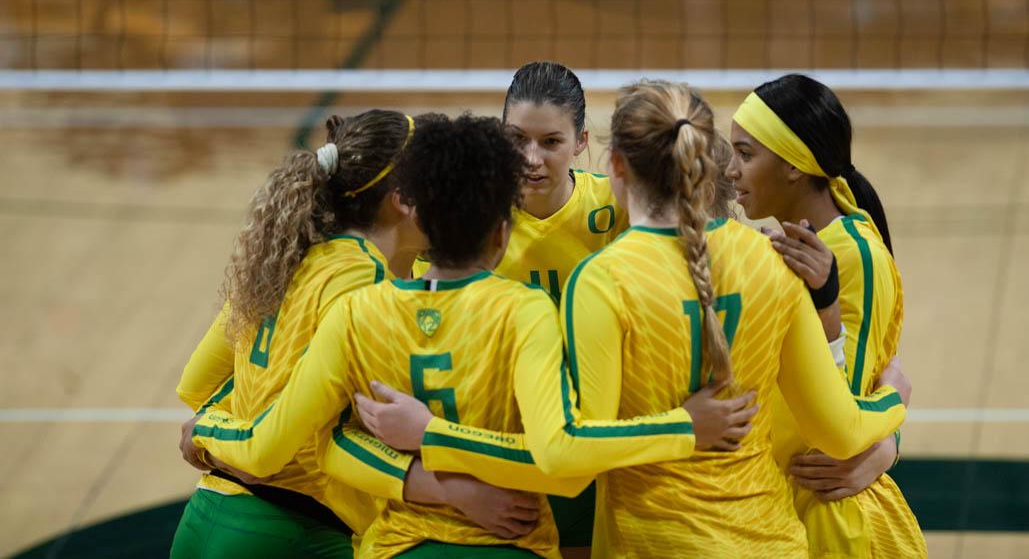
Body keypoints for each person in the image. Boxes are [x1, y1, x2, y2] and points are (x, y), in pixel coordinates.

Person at [367, 81, 910, 556]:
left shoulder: (603, 281)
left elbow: (570, 458)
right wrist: (893, 401)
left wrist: (435, 436)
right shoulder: (774, 265)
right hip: (768, 541)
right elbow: (839, 432)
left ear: (616, 166)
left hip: (647, 542)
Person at [185, 113, 749, 558]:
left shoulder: (296, 264)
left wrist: (212, 430)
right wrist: (446, 477)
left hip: (231, 516)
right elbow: (562, 455)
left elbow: (212, 391)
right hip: (303, 530)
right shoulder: (505, 309)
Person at [172, 111, 533, 557]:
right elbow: (343, 438)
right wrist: (457, 492)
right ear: (403, 199)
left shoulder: (284, 256)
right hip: (293, 530)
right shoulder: (364, 286)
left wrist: (219, 437)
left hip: (209, 511)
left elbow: (196, 384)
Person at [729, 74, 926, 557]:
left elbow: (846, 411)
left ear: (794, 166)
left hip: (826, 517)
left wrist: (884, 441)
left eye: (745, 154)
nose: (729, 171)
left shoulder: (852, 256)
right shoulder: (777, 247)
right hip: (775, 506)